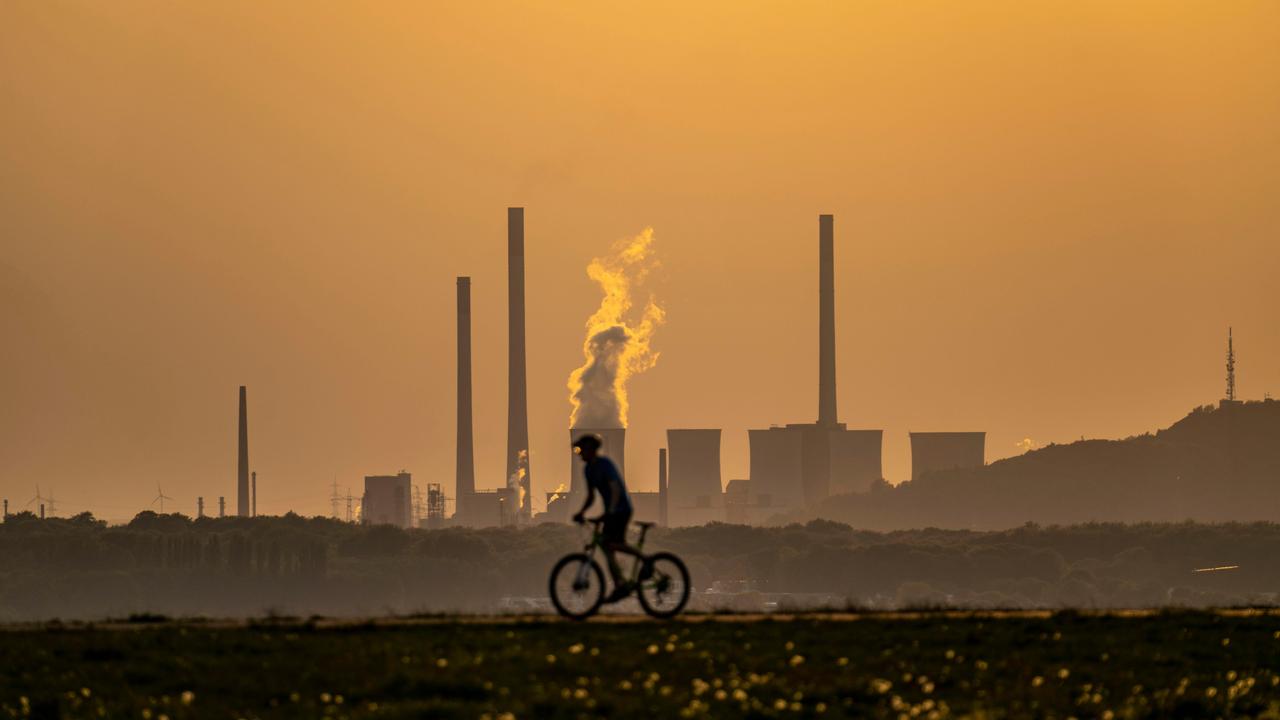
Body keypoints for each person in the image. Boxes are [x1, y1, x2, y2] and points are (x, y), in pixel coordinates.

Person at [572, 433, 644, 603]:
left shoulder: (605, 464)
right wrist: (581, 512)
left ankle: (644, 560)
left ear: (591, 449)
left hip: (621, 509)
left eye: (581, 449)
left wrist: (610, 511)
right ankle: (620, 585)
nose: (579, 453)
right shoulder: (588, 470)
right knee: (607, 547)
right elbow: (591, 496)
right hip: (610, 512)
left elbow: (615, 488)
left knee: (612, 544)